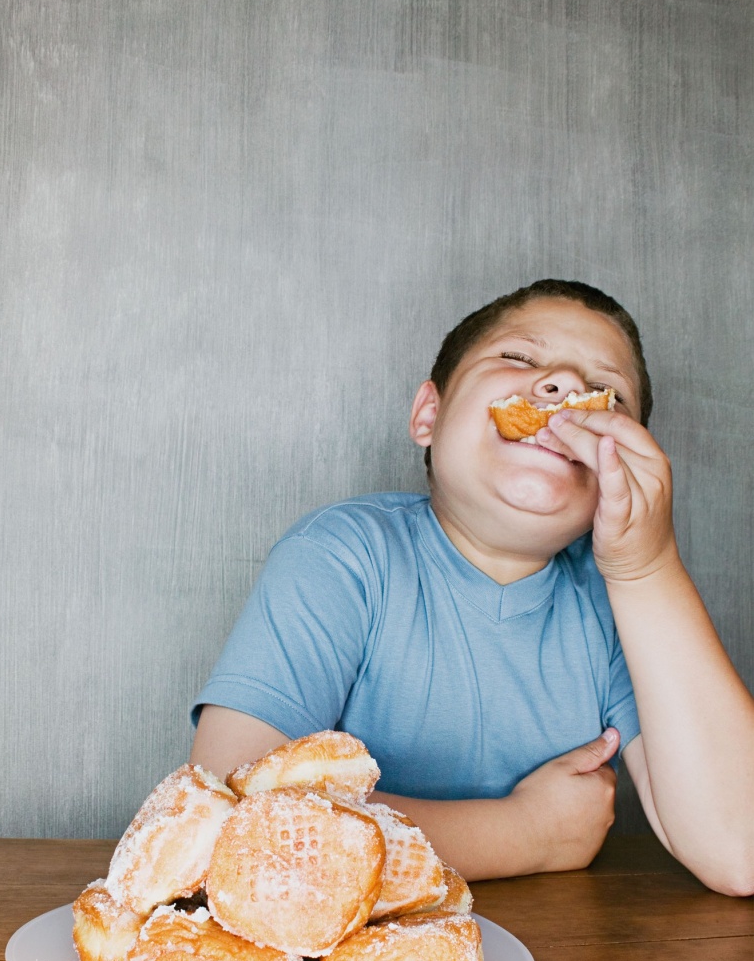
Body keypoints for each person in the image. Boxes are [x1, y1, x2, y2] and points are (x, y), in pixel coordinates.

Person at [190, 279, 754, 896]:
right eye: (521, 358)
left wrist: (648, 568)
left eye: (606, 394)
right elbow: (226, 823)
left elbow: (740, 850)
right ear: (428, 415)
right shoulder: (344, 556)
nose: (565, 388)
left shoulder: (621, 605)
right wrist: (526, 832)